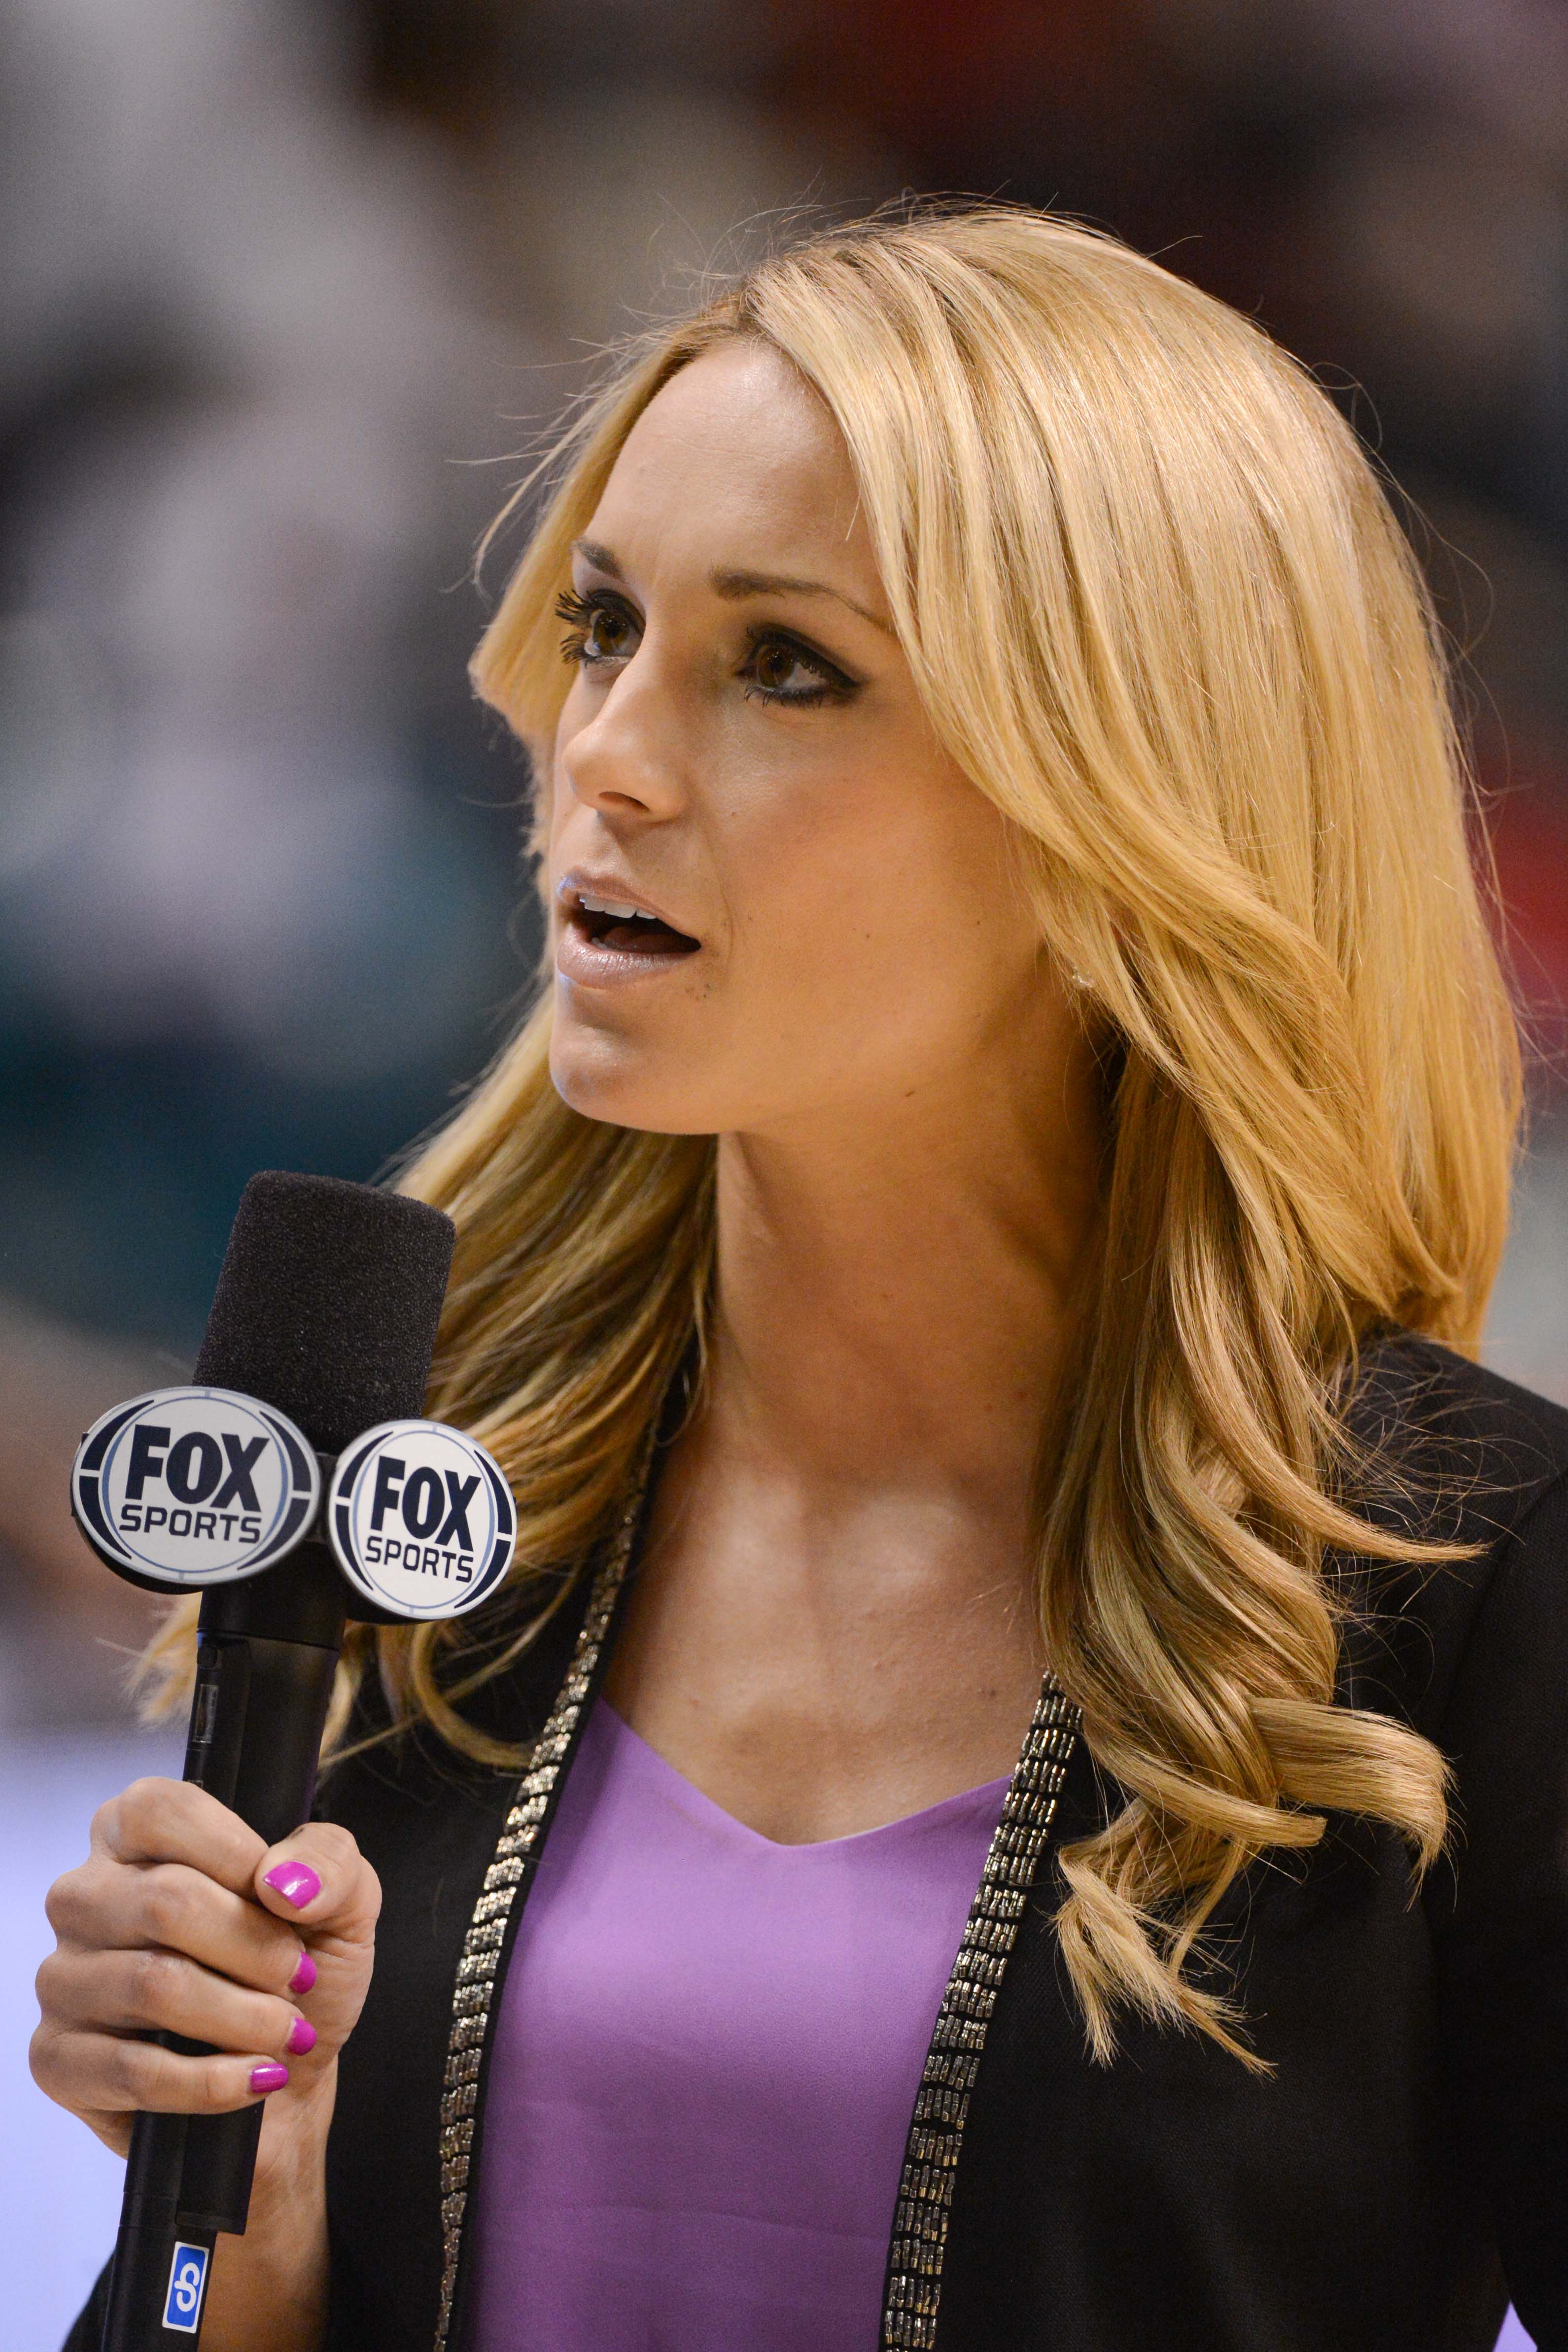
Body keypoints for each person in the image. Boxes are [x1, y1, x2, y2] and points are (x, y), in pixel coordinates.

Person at [34, 207, 1568, 2352]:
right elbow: (200, 2313)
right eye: (600, 628)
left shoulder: (1465, 1572)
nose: (606, 757)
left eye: (787, 666)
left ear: (1122, 796)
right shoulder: (431, 1514)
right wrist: (241, 2237)